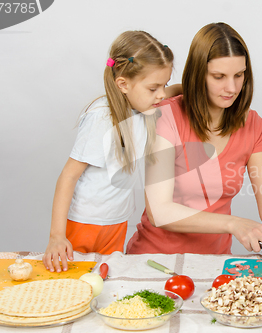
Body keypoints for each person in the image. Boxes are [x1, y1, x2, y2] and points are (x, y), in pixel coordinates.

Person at [126, 22, 262, 258]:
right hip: (153, 259)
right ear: (198, 75)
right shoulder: (166, 115)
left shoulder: (253, 125)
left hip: (213, 263)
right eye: (219, 76)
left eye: (239, 75)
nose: (232, 87)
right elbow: (159, 211)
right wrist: (233, 223)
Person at [43, 31, 180, 272]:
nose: (161, 94)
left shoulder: (142, 103)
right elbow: (68, 176)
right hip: (85, 223)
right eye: (154, 88)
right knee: (73, 284)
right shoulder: (102, 117)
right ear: (123, 84)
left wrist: (199, 86)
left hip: (116, 222)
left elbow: (172, 91)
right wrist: (56, 236)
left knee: (107, 283)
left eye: (164, 84)